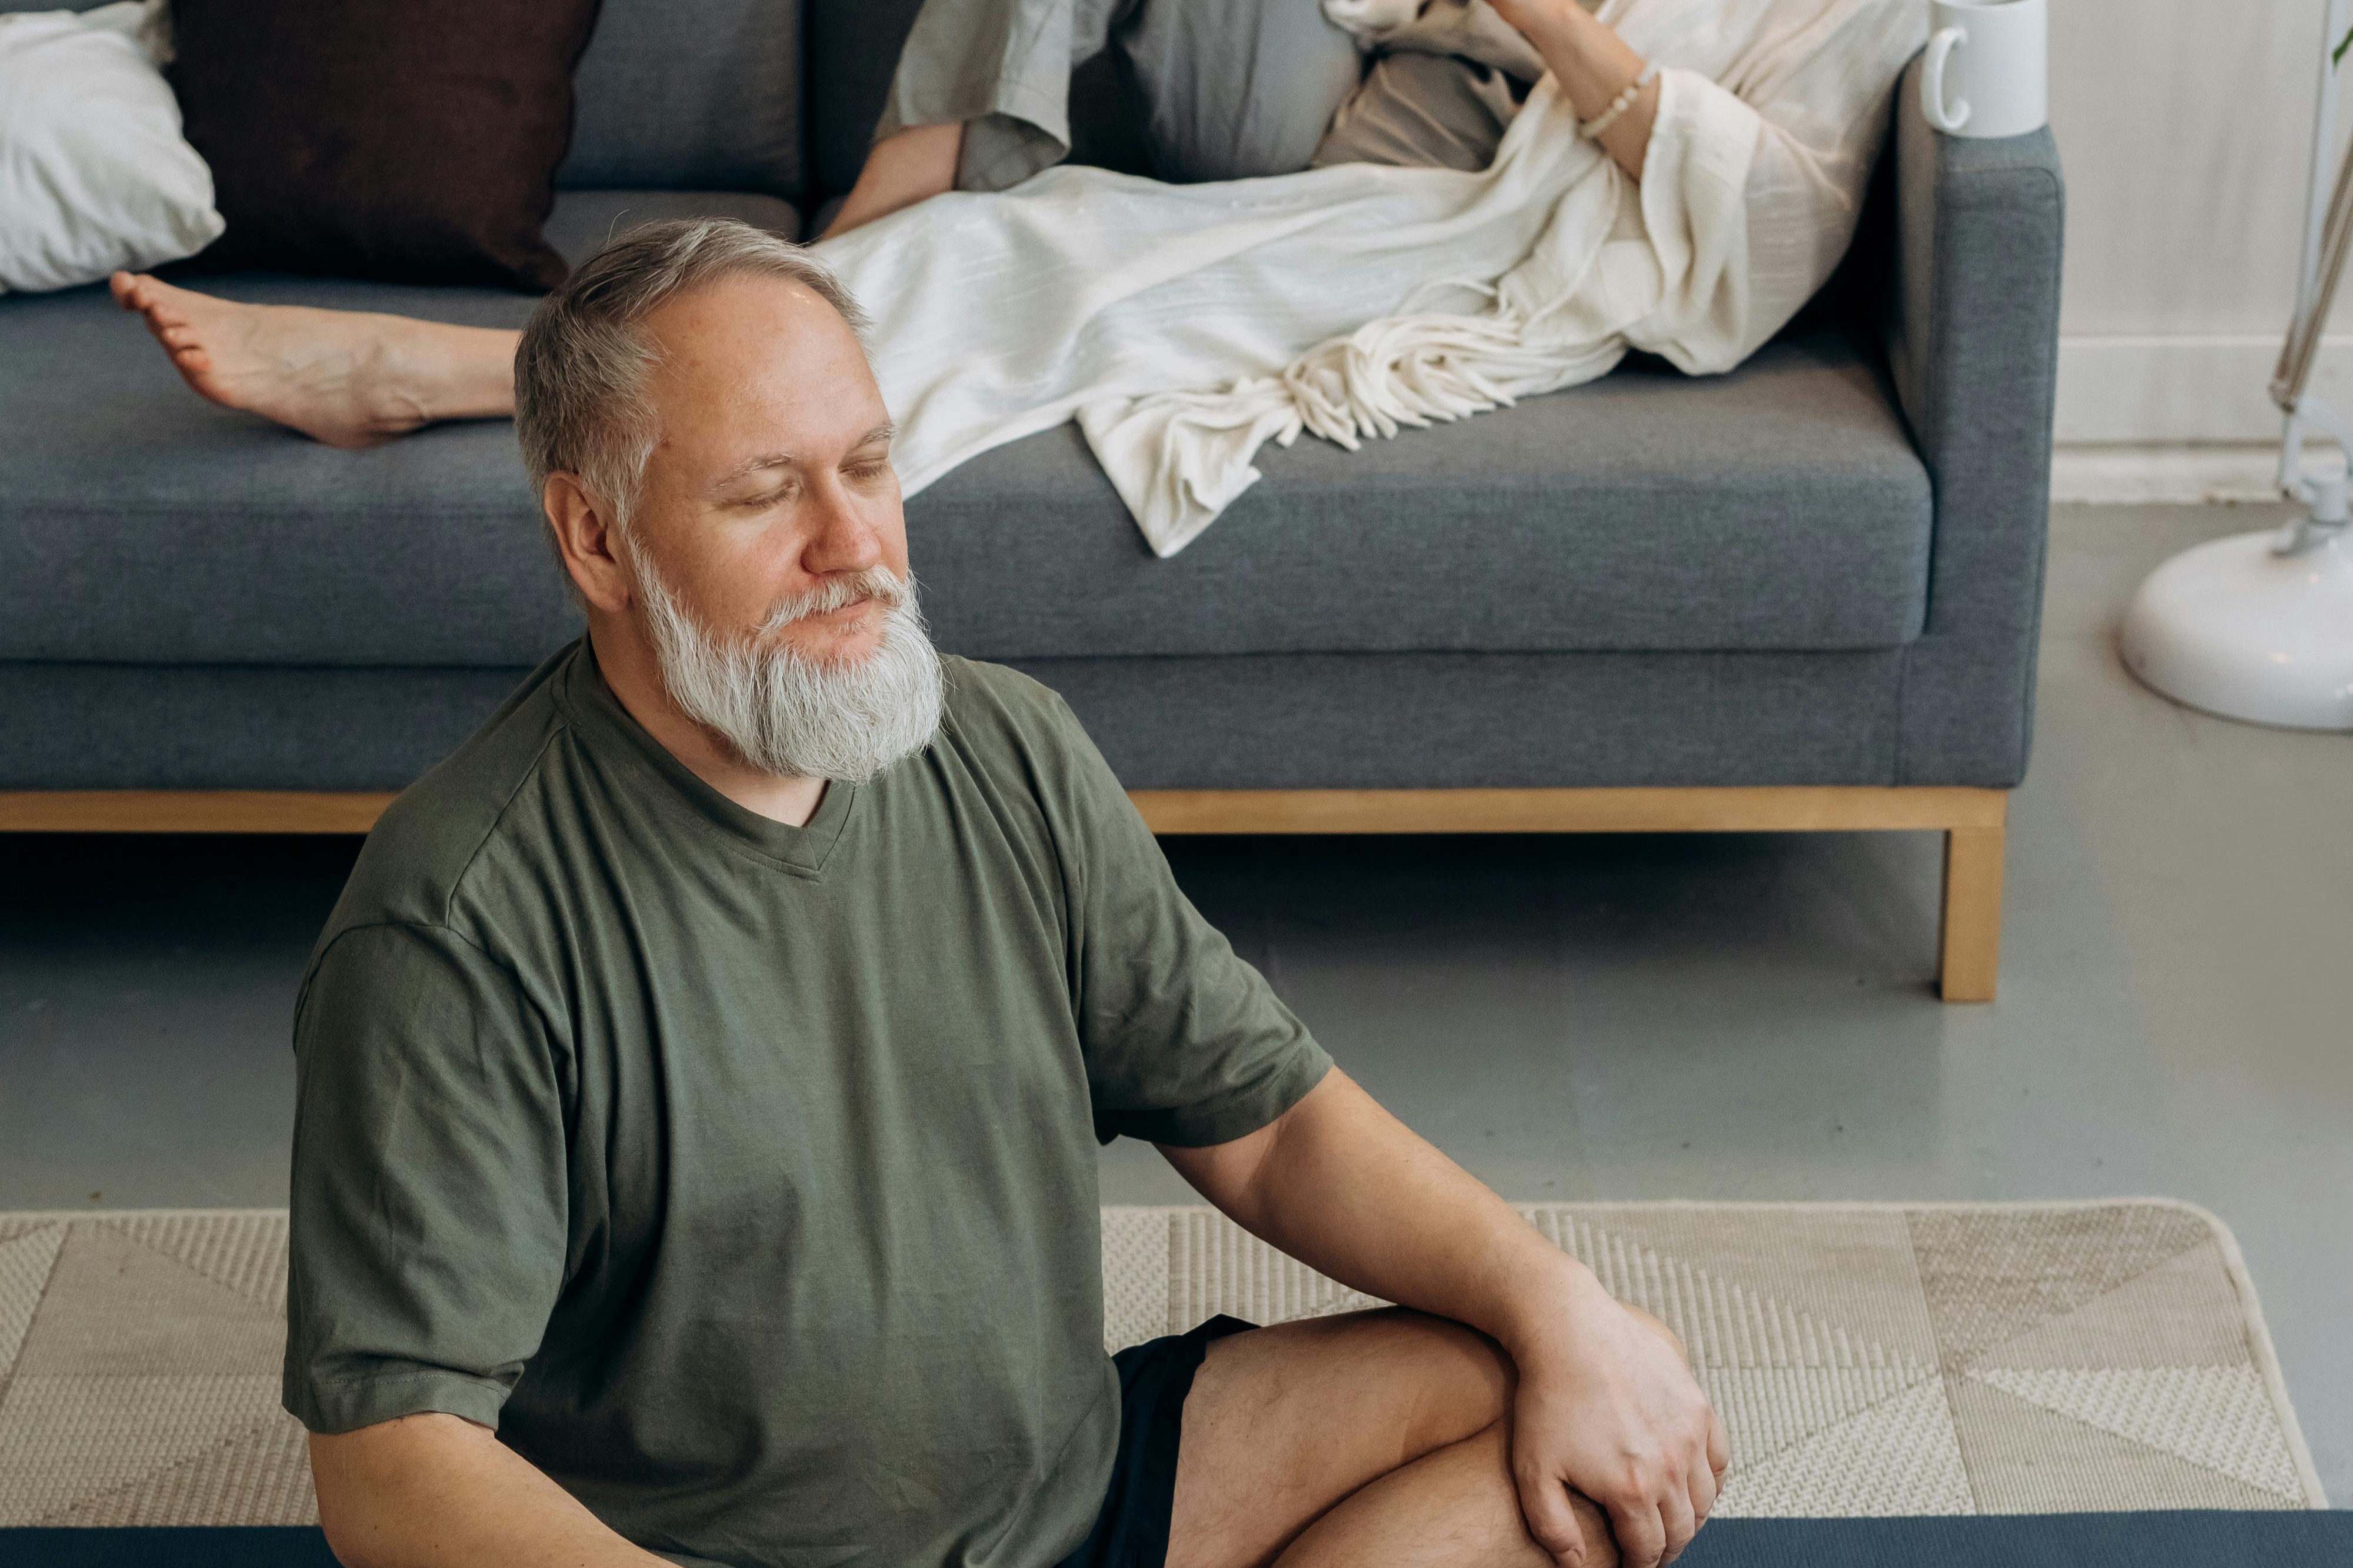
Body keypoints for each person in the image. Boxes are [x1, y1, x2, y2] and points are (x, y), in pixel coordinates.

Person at [286, 216, 1727, 1568]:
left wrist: (1561, 1306)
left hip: (1073, 1488)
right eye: (764, 490)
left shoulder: (1004, 744)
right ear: (592, 538)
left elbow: (1273, 1132)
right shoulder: (456, 922)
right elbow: (391, 1459)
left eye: (867, 465)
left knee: (1548, 1412)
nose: (853, 544)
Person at [108, 0, 1656, 450]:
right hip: (1345, 53)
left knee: (980, 262)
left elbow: (1714, 160)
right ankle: (849, 247)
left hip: (1423, 157)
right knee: (971, 223)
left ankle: (447, 373)